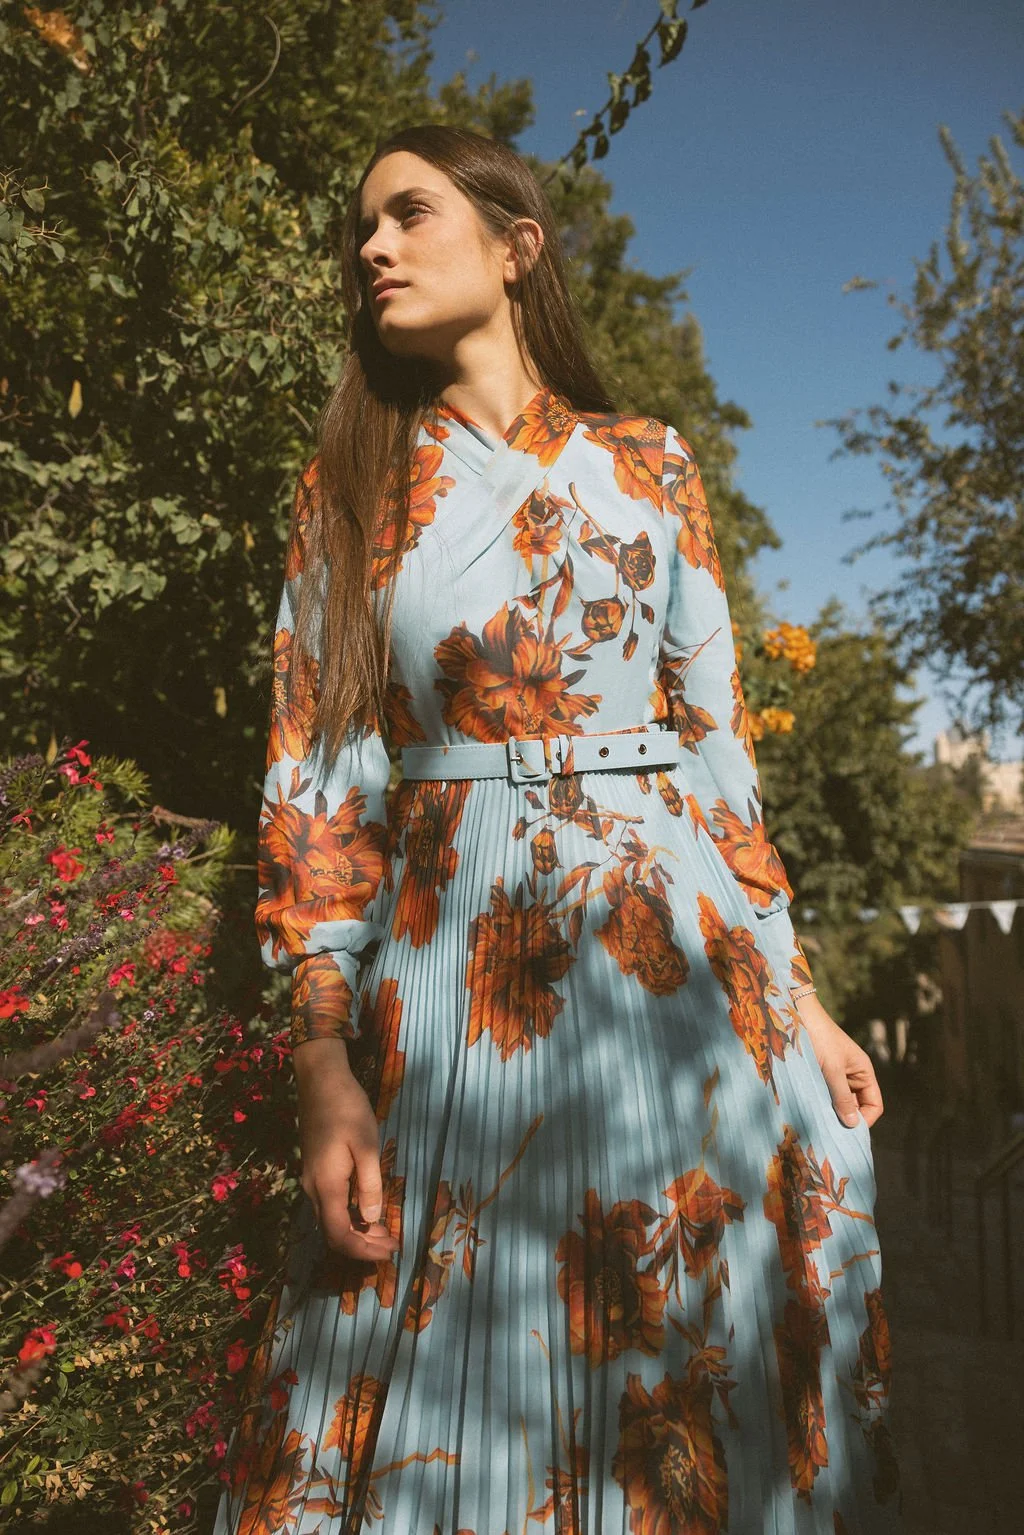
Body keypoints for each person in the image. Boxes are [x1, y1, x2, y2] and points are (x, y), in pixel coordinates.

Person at [213, 124, 902, 1535]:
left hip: (685, 986)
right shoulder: (349, 491)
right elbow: (319, 785)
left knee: (683, 1358)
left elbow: (719, 751)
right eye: (364, 229)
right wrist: (322, 1060)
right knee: (454, 1359)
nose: (373, 248)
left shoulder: (652, 467)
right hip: (458, 992)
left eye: (408, 214)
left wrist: (808, 992)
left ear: (518, 247)